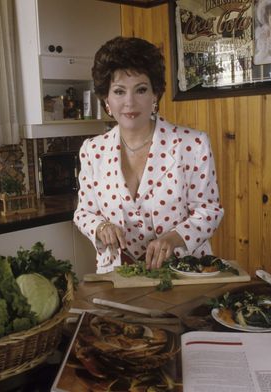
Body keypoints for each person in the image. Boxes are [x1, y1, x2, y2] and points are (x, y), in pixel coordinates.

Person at [74, 36, 224, 273]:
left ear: (155, 94)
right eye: (119, 91)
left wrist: (173, 238)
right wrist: (101, 227)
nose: (130, 102)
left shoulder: (192, 145)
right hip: (117, 276)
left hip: (183, 272)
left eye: (141, 89)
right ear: (106, 100)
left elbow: (209, 211)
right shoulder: (93, 150)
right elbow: (84, 212)